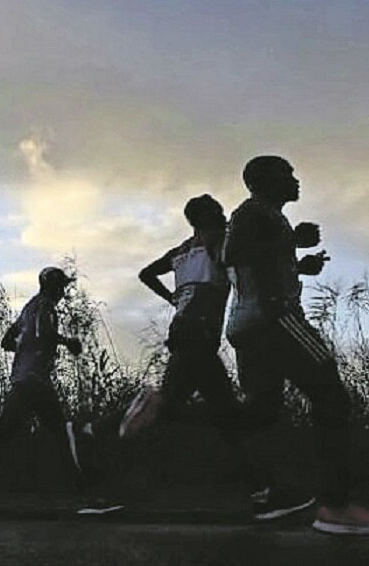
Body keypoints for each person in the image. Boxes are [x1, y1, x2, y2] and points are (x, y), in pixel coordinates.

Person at [222, 155, 369, 535]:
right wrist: (291, 241)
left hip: (248, 326)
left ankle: (165, 407)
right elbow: (232, 255)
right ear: (265, 180)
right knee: (332, 398)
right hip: (277, 320)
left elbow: (256, 263)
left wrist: (298, 264)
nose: (296, 180)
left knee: (260, 413)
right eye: (288, 174)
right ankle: (335, 506)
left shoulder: (261, 216)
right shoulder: (254, 212)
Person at [121, 194, 303, 521]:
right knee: (184, 409)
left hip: (184, 330)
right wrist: (294, 250)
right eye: (220, 212)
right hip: (200, 334)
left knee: (227, 417)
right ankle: (110, 452)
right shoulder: (218, 243)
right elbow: (246, 263)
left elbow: (146, 273)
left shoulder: (181, 250)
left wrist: (173, 298)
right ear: (216, 215)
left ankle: (262, 493)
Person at [0, 267, 120, 514]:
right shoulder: (45, 306)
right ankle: (88, 496)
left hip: (23, 378)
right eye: (61, 287)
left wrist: (27, 348)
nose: (63, 292)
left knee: (5, 429)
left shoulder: (28, 308)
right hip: (35, 381)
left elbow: (6, 341)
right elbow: (45, 333)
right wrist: (67, 342)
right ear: (52, 287)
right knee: (65, 434)